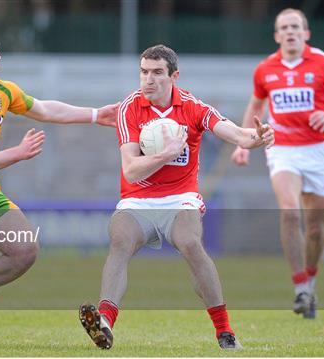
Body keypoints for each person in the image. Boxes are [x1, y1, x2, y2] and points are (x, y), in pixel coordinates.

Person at [0, 23, 117, 346]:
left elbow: (43, 109)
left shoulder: (1, 90)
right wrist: (18, 153)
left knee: (25, 250)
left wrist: (97, 114)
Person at [79, 44, 274, 350]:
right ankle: (104, 321)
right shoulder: (129, 108)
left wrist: (257, 138)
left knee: (191, 244)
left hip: (180, 198)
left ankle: (224, 331)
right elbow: (131, 170)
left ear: (174, 76)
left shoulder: (193, 107)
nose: (148, 80)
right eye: (144, 72)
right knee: (120, 242)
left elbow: (234, 133)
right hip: (137, 199)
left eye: (157, 73)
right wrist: (167, 153)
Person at [231, 8, 324, 319]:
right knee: (290, 212)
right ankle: (300, 288)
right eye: (284, 28)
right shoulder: (265, 69)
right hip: (282, 150)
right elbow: (256, 103)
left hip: (318, 152)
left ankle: (312, 281)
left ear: (306, 33)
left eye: (296, 27)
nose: (290, 32)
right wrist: (243, 143)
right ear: (277, 36)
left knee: (316, 228)